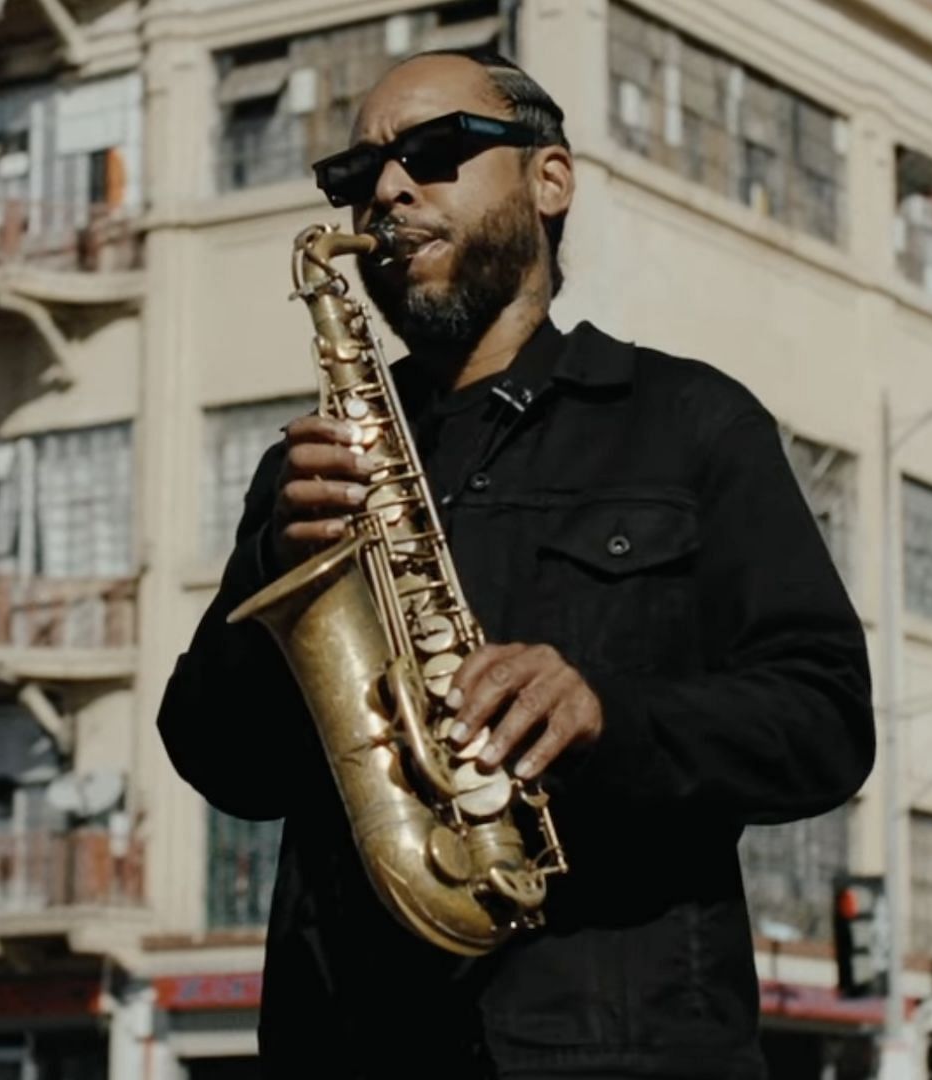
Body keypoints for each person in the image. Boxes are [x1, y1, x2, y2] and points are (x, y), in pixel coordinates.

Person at [157, 47, 875, 1080]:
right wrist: (281, 550)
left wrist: (609, 716)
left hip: (619, 1054)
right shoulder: (313, 466)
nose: (391, 189)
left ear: (550, 180)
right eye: (358, 175)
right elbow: (217, 757)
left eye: (435, 152)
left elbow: (826, 722)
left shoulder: (692, 425)